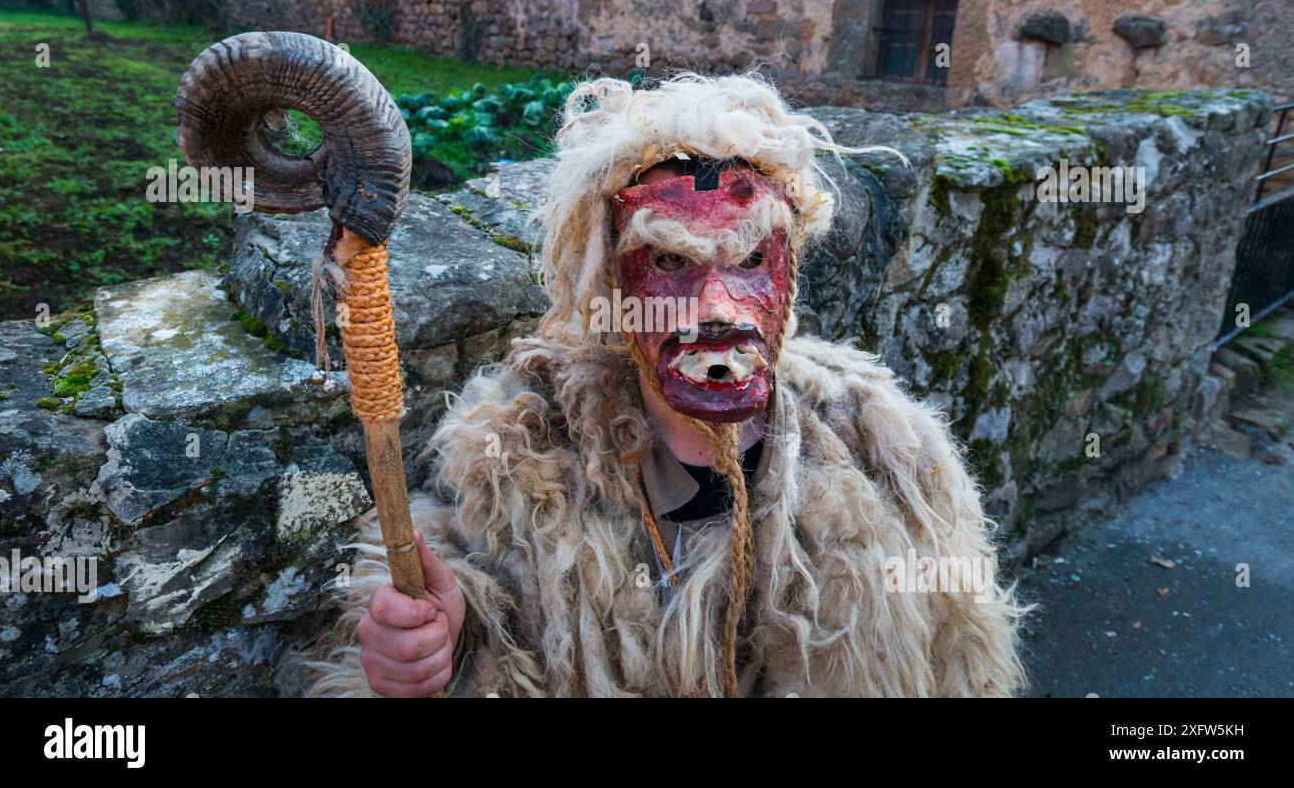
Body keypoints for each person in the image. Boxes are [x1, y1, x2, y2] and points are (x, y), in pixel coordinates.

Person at [308, 72, 1026, 697]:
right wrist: (445, 642)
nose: (717, 308)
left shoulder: (889, 456)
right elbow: (459, 598)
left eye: (749, 259)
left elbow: (964, 661)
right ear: (613, 282)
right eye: (671, 263)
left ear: (788, 273)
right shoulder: (511, 460)